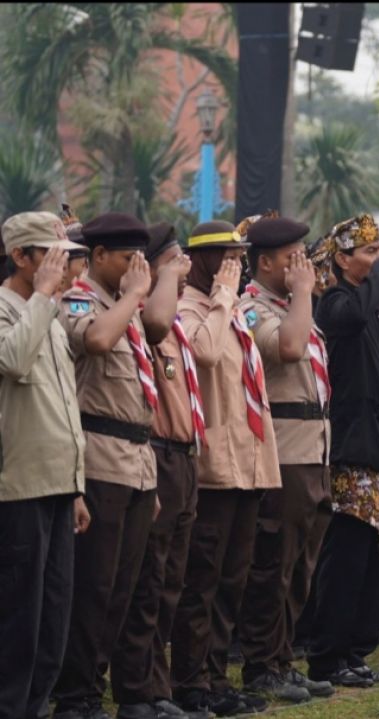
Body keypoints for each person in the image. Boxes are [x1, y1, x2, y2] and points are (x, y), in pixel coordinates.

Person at [170, 219, 287, 714]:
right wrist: (221, 297)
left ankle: (216, 678)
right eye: (227, 255)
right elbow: (205, 353)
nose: (235, 265)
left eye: (239, 256)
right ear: (202, 259)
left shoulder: (232, 309)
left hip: (248, 464)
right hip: (215, 467)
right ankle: (191, 682)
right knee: (202, 580)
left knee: (232, 580)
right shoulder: (188, 307)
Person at [52, 213, 158, 719]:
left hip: (138, 460)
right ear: (97, 257)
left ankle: (104, 689)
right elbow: (93, 341)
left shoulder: (124, 305)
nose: (137, 266)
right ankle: (76, 696)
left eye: (141, 257)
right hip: (98, 459)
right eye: (125, 257)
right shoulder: (81, 299)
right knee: (92, 587)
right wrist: (136, 294)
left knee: (124, 588)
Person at [237, 215, 338, 699]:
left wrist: (300, 295)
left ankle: (282, 656)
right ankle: (260, 666)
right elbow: (291, 348)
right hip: (284, 448)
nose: (302, 264)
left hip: (314, 445)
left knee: (302, 566)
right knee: (274, 562)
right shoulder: (252, 307)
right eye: (291, 257)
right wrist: (304, 292)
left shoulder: (290, 304)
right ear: (265, 263)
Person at [108, 223, 206, 719]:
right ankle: (136, 688)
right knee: (148, 579)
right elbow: (156, 322)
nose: (183, 272)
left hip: (182, 457)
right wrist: (163, 274)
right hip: (158, 452)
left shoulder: (176, 319)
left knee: (171, 580)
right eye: (174, 263)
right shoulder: (148, 312)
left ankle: (158, 685)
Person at [306, 216, 379, 687]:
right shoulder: (336, 303)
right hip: (352, 452)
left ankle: (355, 653)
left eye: (378, 251)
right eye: (367, 253)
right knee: (346, 558)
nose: (377, 260)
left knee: (372, 561)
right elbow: (357, 312)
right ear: (343, 260)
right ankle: (327, 656)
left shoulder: (375, 307)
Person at [0, 212, 88, 719]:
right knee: (19, 620)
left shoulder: (46, 314)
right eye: (49, 255)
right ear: (20, 257)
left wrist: (77, 488)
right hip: (19, 487)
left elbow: (64, 405)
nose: (62, 265)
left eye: (65, 255)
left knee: (54, 617)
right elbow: (12, 360)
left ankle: (33, 707)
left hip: (58, 484)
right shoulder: (17, 310)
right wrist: (44, 297)